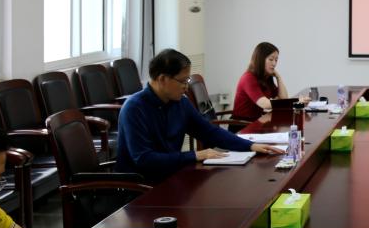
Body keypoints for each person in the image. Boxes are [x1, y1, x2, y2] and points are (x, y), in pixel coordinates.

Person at [116, 48, 282, 182]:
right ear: (162, 79)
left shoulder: (181, 103)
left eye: (187, 81)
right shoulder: (134, 108)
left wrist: (250, 146)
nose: (186, 87)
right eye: (182, 81)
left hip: (170, 177)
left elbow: (209, 132)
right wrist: (194, 155)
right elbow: (144, 159)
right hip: (140, 187)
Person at [232, 41, 289, 120]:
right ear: (260, 59)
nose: (274, 64)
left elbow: (284, 98)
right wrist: (291, 102)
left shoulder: (266, 77)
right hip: (242, 124)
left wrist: (278, 77)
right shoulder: (248, 78)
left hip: (255, 121)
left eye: (276, 60)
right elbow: (265, 104)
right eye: (271, 59)